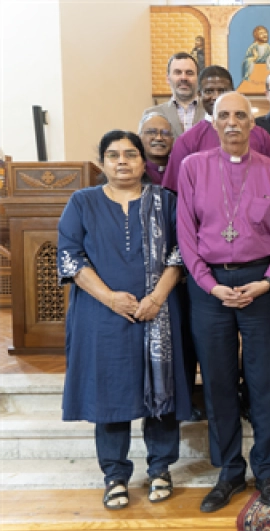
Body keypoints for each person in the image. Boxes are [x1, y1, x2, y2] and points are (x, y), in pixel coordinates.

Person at [58, 130, 190, 510]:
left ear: (143, 161)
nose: (122, 161)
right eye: (113, 155)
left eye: (130, 154)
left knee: (161, 388)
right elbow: (70, 257)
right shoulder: (82, 202)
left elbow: (181, 253)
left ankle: (160, 467)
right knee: (109, 392)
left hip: (158, 311)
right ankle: (115, 475)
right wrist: (110, 299)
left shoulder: (165, 201)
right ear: (102, 162)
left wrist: (157, 297)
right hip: (101, 315)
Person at [176, 91, 270, 512]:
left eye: (240, 116)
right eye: (223, 115)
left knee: (265, 381)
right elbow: (186, 234)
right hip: (210, 287)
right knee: (219, 380)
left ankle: (267, 469)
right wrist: (209, 284)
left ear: (252, 123)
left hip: (261, 285)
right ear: (212, 122)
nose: (231, 123)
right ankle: (229, 471)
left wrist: (269, 280)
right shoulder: (192, 167)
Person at [162, 65, 270, 193]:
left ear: (233, 91)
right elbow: (175, 193)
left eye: (222, 91)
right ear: (199, 94)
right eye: (209, 91)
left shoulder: (260, 136)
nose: (216, 97)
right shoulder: (187, 141)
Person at [143, 52, 202, 137]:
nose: (183, 78)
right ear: (168, 79)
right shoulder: (151, 114)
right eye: (178, 72)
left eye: (189, 73)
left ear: (198, 78)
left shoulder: (213, 112)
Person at [139, 112, 175, 185]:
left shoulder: (181, 169)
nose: (159, 138)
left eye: (165, 133)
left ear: (172, 140)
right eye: (151, 132)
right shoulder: (134, 171)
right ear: (140, 137)